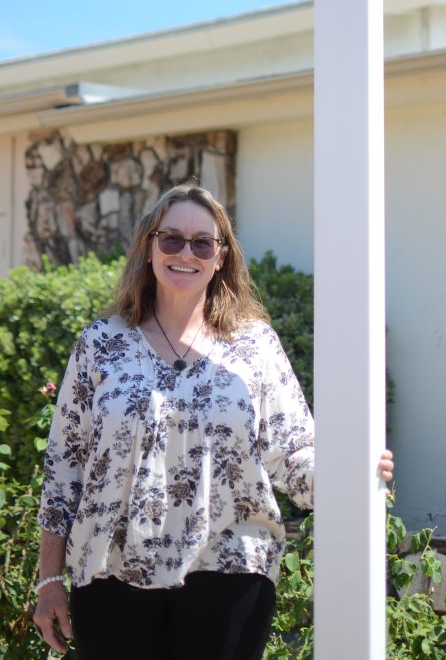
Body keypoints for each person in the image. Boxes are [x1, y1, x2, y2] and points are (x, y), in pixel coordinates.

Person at [33, 182, 393, 660]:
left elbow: (292, 453)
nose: (187, 252)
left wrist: (353, 469)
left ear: (221, 257)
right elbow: (64, 470)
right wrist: (49, 580)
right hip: (111, 570)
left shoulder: (254, 346)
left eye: (203, 242)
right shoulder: (101, 344)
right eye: (172, 239)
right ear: (149, 246)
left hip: (230, 568)